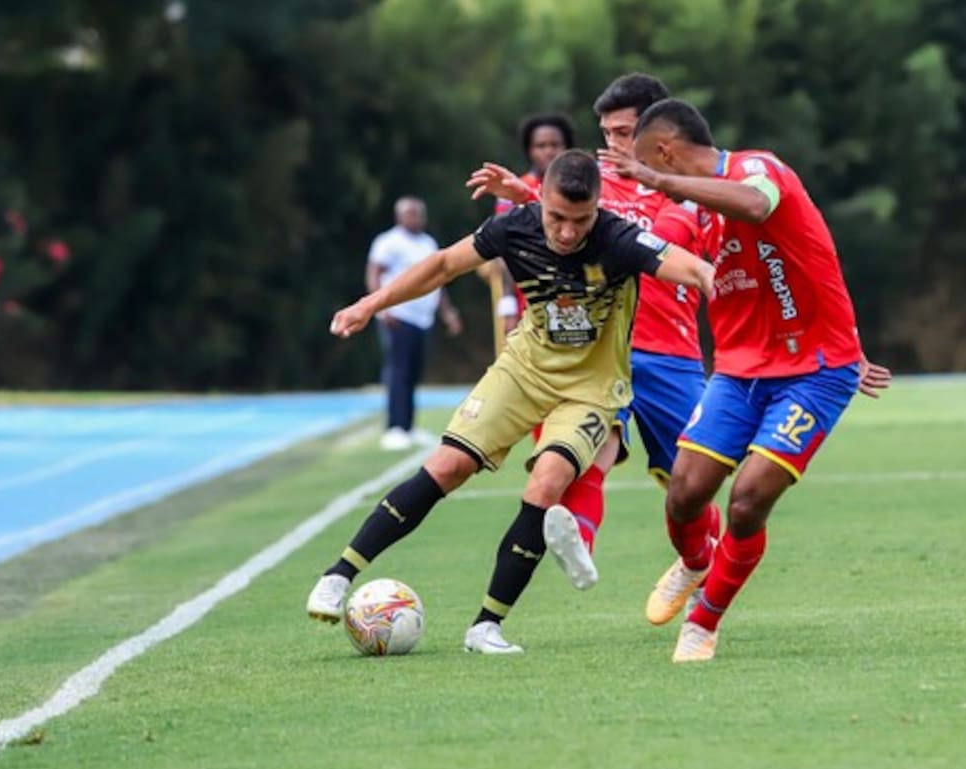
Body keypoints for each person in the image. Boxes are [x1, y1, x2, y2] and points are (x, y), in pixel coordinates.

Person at [307, 150, 715, 655]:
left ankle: (486, 626)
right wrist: (369, 304)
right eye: (557, 218)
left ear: (598, 208)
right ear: (540, 201)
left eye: (581, 220)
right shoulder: (514, 227)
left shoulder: (620, 238)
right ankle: (338, 575)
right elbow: (442, 265)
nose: (568, 232)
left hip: (591, 389)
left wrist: (724, 294)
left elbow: (694, 269)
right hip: (524, 370)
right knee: (448, 465)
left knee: (548, 480)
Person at [600, 98, 891, 662]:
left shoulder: (758, 169)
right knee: (684, 492)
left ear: (664, 152)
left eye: (647, 165)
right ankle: (694, 563)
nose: (651, 184)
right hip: (739, 371)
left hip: (814, 372)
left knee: (748, 500)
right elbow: (649, 239)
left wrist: (658, 182)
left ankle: (703, 622)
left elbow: (756, 206)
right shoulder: (690, 209)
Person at [467, 74, 720, 590]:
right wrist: (527, 197)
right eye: (606, 133)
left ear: (660, 132)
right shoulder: (596, 181)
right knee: (589, 451)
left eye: (623, 133)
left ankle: (700, 560)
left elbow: (680, 250)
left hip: (671, 352)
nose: (612, 145)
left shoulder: (694, 187)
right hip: (601, 348)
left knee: (689, 487)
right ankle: (580, 540)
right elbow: (563, 224)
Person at [366, 197, 464, 450]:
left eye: (419, 213)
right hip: (399, 315)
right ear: (399, 216)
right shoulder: (388, 242)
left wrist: (447, 312)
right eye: (411, 213)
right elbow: (374, 273)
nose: (417, 218)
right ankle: (395, 426)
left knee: (414, 372)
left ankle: (408, 425)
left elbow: (438, 280)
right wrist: (380, 307)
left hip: (423, 318)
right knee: (398, 370)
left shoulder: (428, 243)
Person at [490, 114, 576, 342]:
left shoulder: (584, 187)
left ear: (567, 148)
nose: (549, 151)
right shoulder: (513, 190)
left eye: (555, 145)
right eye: (541, 145)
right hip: (529, 294)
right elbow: (505, 250)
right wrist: (507, 304)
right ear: (529, 150)